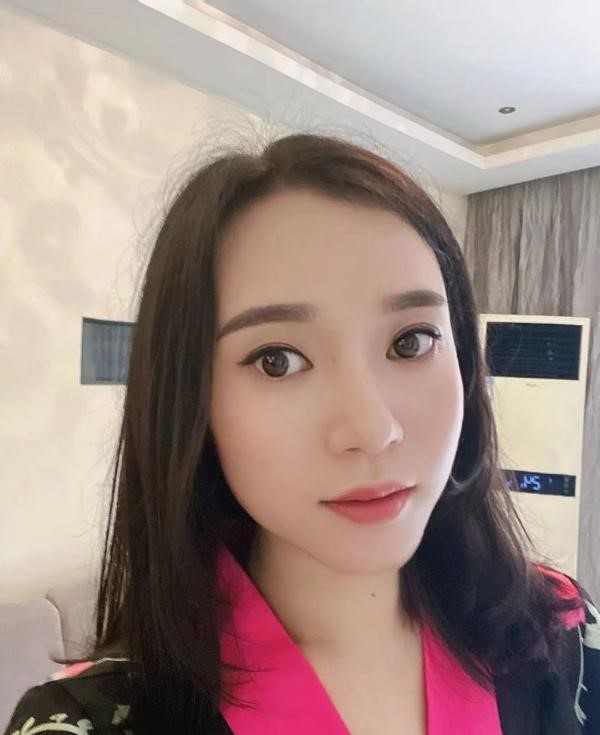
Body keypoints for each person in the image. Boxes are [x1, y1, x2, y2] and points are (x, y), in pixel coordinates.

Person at [4, 133, 599, 735]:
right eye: (277, 360)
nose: (372, 430)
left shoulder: (564, 632)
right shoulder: (85, 723)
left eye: (410, 341)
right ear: (192, 400)